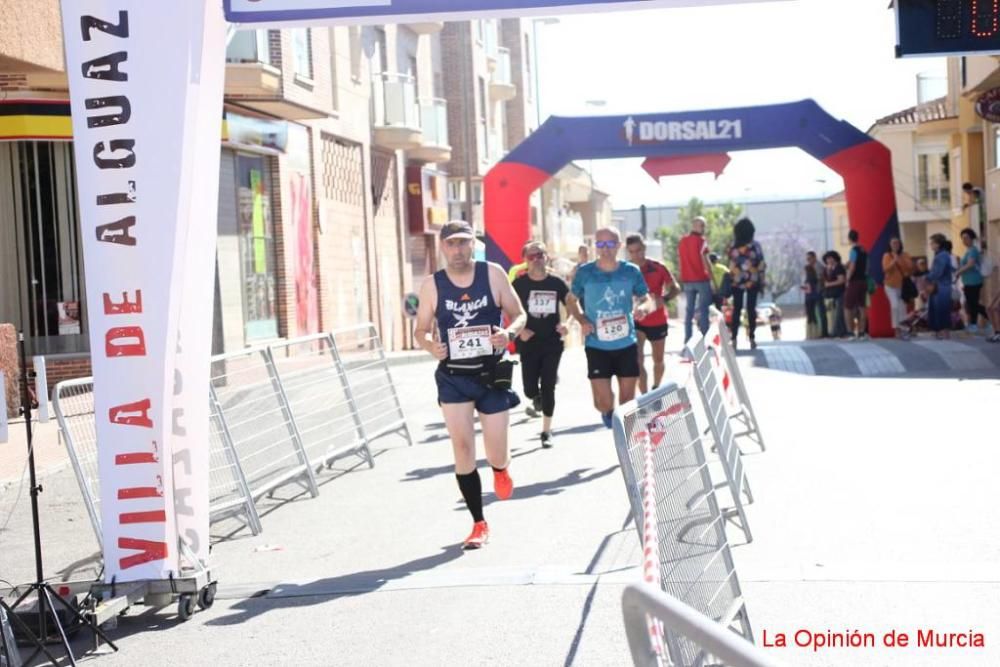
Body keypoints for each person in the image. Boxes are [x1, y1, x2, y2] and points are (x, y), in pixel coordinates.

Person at [413, 221, 527, 550]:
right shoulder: (433, 285)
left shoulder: (492, 274)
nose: (458, 250)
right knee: (462, 449)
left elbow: (519, 314)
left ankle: (501, 469)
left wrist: (508, 334)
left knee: (495, 450)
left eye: (464, 243)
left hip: (491, 375)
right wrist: (430, 346)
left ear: (473, 244)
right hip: (453, 377)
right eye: (451, 244)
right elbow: (420, 330)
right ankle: (478, 523)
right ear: (442, 247)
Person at [568, 226, 654, 428]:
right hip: (597, 345)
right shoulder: (585, 273)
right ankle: (606, 408)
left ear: (619, 245)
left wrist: (643, 307)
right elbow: (571, 300)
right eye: (600, 244)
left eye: (610, 244)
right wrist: (582, 320)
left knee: (627, 402)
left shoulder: (630, 271)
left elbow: (646, 298)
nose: (605, 249)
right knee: (604, 403)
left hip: (626, 343)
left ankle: (625, 440)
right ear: (595, 246)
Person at [511, 241, 569, 448]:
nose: (536, 260)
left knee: (548, 387)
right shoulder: (519, 285)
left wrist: (567, 323)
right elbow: (507, 309)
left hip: (552, 342)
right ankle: (535, 398)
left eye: (540, 255)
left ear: (547, 257)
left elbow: (572, 305)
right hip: (528, 342)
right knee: (528, 388)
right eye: (531, 256)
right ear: (525, 261)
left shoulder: (557, 283)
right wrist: (519, 330)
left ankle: (546, 431)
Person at [626, 233, 679, 393]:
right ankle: (644, 397)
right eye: (632, 251)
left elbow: (675, 288)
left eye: (639, 250)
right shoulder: (626, 270)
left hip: (657, 320)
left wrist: (664, 299)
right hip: (637, 320)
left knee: (658, 360)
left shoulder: (658, 267)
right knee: (638, 360)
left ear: (644, 248)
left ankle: (656, 387)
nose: (636, 255)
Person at [727, 217, 765, 349]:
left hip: (737, 281)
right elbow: (761, 264)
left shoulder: (733, 247)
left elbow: (731, 266)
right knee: (751, 310)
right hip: (752, 281)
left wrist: (740, 269)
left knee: (736, 309)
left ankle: (734, 338)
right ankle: (752, 337)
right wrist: (755, 273)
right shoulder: (756, 246)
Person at [677, 216, 714, 342]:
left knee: (689, 311)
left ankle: (687, 338)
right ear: (694, 226)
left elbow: (680, 260)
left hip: (687, 280)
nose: (703, 228)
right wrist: (713, 279)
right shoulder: (701, 241)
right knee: (704, 309)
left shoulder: (682, 241)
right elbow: (706, 261)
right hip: (701, 279)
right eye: (701, 225)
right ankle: (705, 338)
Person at [955, 228, 988, 334]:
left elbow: (970, 264)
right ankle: (973, 324)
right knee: (971, 304)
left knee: (973, 303)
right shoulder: (968, 251)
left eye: (966, 238)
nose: (964, 240)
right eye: (963, 238)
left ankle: (991, 317)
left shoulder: (973, 250)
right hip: (968, 281)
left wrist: (958, 272)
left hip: (974, 281)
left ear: (972, 238)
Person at [881, 237, 914, 339]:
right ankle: (897, 329)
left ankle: (903, 329)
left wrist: (900, 259)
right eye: (893, 243)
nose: (895, 245)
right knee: (894, 306)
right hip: (890, 285)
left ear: (900, 244)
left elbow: (910, 268)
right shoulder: (887, 255)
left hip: (902, 286)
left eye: (897, 243)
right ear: (890, 245)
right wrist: (893, 261)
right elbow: (885, 269)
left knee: (902, 308)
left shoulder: (905, 255)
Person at [926, 233, 954, 340]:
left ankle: (943, 332)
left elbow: (937, 272)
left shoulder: (941, 255)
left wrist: (927, 277)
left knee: (941, 309)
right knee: (938, 309)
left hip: (941, 286)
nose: (931, 245)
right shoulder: (942, 254)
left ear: (938, 244)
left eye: (932, 243)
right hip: (940, 285)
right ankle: (940, 331)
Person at [843, 230, 870, 339]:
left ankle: (850, 332)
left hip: (854, 281)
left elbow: (852, 266)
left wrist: (847, 279)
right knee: (862, 307)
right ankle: (862, 332)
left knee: (847, 307)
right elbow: (867, 266)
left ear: (849, 239)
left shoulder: (853, 250)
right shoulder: (864, 250)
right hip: (863, 281)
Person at [822, 250, 848, 338]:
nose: (829, 260)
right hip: (831, 294)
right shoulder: (828, 268)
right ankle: (836, 331)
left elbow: (841, 280)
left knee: (839, 313)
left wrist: (829, 284)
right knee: (833, 314)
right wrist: (828, 271)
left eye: (830, 258)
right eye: (827, 259)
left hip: (840, 293)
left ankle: (838, 332)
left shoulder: (839, 267)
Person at [803, 251, 827, 339]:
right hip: (810, 293)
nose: (808, 260)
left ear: (814, 257)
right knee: (811, 313)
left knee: (821, 312)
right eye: (807, 259)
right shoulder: (809, 267)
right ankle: (812, 333)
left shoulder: (818, 266)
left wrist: (818, 290)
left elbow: (820, 279)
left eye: (809, 258)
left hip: (817, 292)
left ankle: (823, 332)